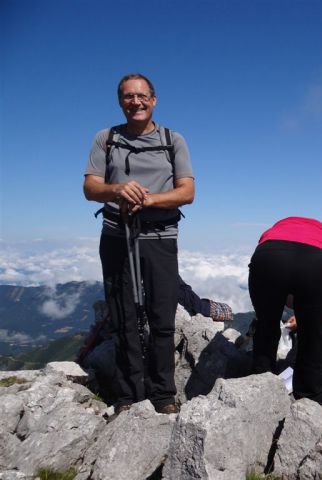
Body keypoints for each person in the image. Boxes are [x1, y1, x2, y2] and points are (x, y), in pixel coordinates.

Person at [84, 73, 195, 416]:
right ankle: (128, 395)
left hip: (160, 237)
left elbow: (187, 192)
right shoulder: (106, 138)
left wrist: (148, 200)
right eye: (129, 97)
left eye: (142, 96)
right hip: (117, 235)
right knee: (123, 316)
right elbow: (91, 188)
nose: (136, 102)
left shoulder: (172, 140)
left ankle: (163, 395)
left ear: (154, 100)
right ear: (121, 102)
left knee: (162, 317)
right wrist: (118, 190)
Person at [248, 216, 322, 405]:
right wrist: (317, 314)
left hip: (267, 257)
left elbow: (281, 279)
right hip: (315, 262)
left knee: (267, 324)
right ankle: (308, 394)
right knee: (311, 334)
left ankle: (259, 381)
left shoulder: (274, 230)